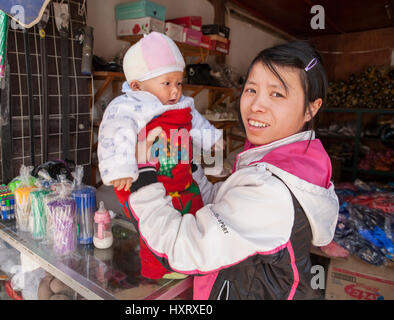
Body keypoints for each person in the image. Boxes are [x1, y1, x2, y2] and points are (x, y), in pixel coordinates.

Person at [125, 41, 340, 299]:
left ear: (310, 108)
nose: (255, 105)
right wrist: (187, 168)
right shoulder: (290, 165)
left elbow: (181, 249)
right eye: (251, 89)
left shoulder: (273, 191)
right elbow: (225, 203)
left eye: (277, 94)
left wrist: (143, 175)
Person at [97, 32, 222, 279]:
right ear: (137, 86)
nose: (175, 90)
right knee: (154, 227)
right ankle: (158, 270)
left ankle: (188, 262)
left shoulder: (182, 104)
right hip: (149, 178)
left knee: (191, 215)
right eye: (167, 83)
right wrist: (120, 168)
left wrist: (212, 139)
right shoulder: (130, 105)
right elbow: (115, 132)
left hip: (180, 175)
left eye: (179, 82)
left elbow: (196, 123)